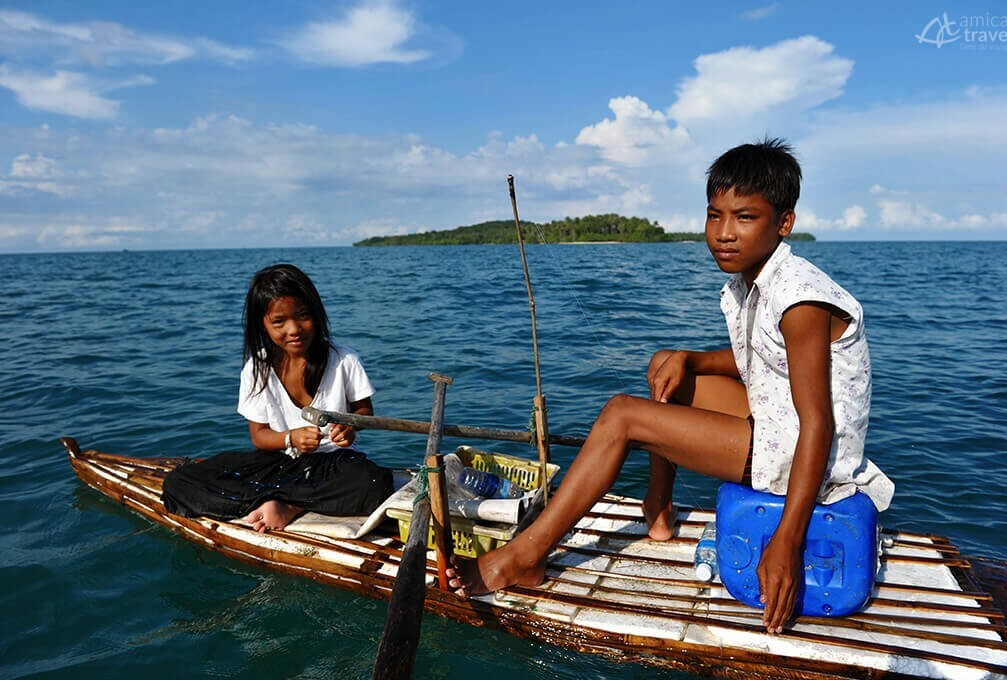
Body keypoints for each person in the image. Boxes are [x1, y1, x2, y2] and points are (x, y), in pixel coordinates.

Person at [447, 138, 894, 634]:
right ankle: (657, 512)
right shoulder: (763, 277)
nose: (724, 234)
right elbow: (765, 361)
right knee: (666, 364)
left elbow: (819, 423)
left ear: (782, 223)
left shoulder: (799, 300)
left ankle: (523, 557)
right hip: (779, 423)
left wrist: (787, 540)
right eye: (714, 215)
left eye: (744, 218)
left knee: (624, 415)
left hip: (803, 453)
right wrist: (690, 359)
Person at [162, 264, 393, 533]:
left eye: (303, 316)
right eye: (279, 322)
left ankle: (288, 506)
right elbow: (259, 436)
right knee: (180, 481)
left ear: (317, 314)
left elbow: (364, 411)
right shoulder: (256, 368)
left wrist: (350, 426)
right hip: (280, 464)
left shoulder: (344, 360)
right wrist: (290, 438)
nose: (294, 329)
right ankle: (277, 499)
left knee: (375, 484)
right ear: (262, 324)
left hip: (335, 464)